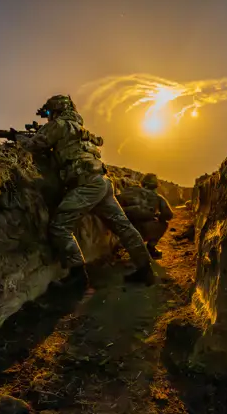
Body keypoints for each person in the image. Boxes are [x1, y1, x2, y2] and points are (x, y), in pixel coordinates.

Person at [25, 95, 155, 285]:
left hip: (86, 185)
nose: (47, 117)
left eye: (48, 112)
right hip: (102, 183)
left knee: (60, 226)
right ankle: (145, 270)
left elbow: (34, 145)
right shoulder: (82, 131)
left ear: (57, 110)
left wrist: (19, 137)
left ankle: (78, 278)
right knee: (124, 228)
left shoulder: (60, 125)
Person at [116, 173, 174, 259]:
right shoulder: (158, 197)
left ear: (142, 183)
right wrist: (157, 216)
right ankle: (151, 248)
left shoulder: (128, 191)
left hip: (125, 229)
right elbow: (168, 215)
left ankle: (121, 248)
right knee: (164, 224)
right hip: (145, 230)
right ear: (155, 186)